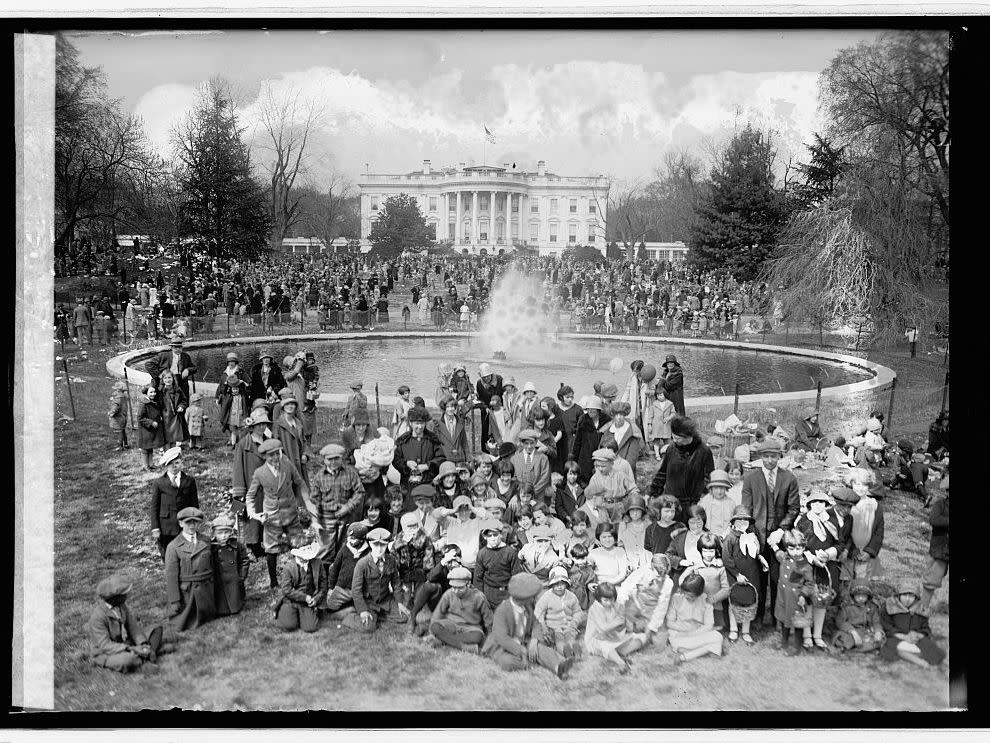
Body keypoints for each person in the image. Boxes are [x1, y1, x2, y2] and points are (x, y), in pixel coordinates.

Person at [741, 438, 800, 627]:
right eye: (765, 456)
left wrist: (782, 530)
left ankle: (777, 617)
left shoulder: (789, 478)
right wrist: (749, 533)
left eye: (773, 456)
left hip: (779, 539)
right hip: (757, 536)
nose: (769, 460)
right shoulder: (751, 478)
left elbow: (793, 508)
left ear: (779, 457)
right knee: (757, 578)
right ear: (760, 457)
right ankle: (756, 617)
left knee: (778, 578)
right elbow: (746, 509)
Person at [481, 572, 574, 679]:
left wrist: (534, 640)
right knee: (507, 662)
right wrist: (521, 650)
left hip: (524, 641)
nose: (535, 599)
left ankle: (558, 668)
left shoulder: (529, 606)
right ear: (522, 598)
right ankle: (531, 662)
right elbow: (501, 637)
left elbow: (536, 624)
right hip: (503, 646)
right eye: (533, 597)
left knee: (542, 649)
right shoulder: (502, 610)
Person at [245, 439, 319, 558]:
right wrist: (253, 513)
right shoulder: (260, 473)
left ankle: (299, 571)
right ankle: (273, 576)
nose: (275, 458)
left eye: (277, 453)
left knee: (299, 544)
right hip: (272, 517)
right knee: (271, 550)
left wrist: (307, 502)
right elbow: (250, 496)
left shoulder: (286, 464)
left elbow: (300, 482)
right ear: (264, 456)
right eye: (271, 455)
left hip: (291, 514)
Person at [87, 574, 170, 673]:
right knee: (126, 660)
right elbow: (105, 645)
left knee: (156, 629)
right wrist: (133, 648)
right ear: (114, 598)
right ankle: (146, 659)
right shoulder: (98, 616)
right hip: (108, 652)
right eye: (124, 595)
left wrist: (143, 644)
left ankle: (146, 654)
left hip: (126, 642)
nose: (127, 596)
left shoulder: (122, 606)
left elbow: (133, 628)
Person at [345, 527, 410, 632]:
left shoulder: (391, 560)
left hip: (385, 600)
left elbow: (396, 583)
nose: (379, 549)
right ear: (370, 545)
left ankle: (377, 615)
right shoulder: (362, 563)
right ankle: (349, 617)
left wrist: (399, 603)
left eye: (383, 545)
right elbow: (356, 590)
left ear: (387, 545)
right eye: (376, 545)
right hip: (369, 602)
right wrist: (362, 610)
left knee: (404, 617)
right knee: (368, 627)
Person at [648, 415, 714, 517]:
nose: (674, 440)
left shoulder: (703, 451)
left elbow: (709, 477)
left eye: (677, 438)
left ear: (688, 437)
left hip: (693, 504)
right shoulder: (672, 448)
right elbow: (662, 473)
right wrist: (653, 493)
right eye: (673, 437)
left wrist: (702, 495)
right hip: (671, 501)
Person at [164, 507, 217, 631]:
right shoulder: (173, 546)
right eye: (188, 522)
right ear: (181, 523)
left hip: (206, 590)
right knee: (183, 622)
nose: (192, 526)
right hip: (188, 592)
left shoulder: (206, 541)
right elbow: (171, 576)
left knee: (208, 616)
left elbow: (213, 566)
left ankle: (207, 612)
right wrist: (175, 600)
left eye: (195, 522)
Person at [311, 443, 365, 561]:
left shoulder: (350, 473)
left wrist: (348, 506)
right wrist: (316, 519)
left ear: (341, 458)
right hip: (326, 518)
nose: (333, 462)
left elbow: (359, 492)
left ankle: (340, 574)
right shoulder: (319, 477)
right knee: (325, 550)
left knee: (346, 548)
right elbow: (314, 499)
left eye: (336, 458)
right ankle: (324, 576)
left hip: (346, 517)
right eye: (330, 459)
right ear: (324, 460)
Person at [721, 505, 766, 645]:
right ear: (733, 523)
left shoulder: (752, 536)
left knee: (749, 601)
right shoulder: (730, 538)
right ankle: (734, 629)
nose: (742, 524)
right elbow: (726, 559)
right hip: (735, 575)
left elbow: (757, 552)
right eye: (738, 521)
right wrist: (736, 574)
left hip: (751, 574)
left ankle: (746, 631)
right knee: (734, 600)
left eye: (745, 521)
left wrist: (761, 559)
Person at [428, 566, 494, 654]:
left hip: (471, 628)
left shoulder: (479, 597)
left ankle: (443, 640)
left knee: (478, 637)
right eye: (453, 587)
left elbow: (489, 621)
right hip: (451, 625)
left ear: (468, 584)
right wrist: (431, 633)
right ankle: (468, 648)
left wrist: (490, 641)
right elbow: (437, 614)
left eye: (460, 588)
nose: (456, 591)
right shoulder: (448, 594)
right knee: (435, 627)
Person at [149, 447, 200, 561]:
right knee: (167, 555)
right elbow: (154, 507)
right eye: (170, 464)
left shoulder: (189, 481)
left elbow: (194, 505)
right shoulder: (159, 483)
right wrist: (155, 528)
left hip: (184, 525)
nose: (174, 466)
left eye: (177, 463)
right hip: (166, 527)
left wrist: (194, 522)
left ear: (181, 462)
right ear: (166, 466)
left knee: (186, 554)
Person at [879, 584, 946, 669]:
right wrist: (903, 636)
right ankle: (920, 662)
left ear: (916, 598)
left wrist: (917, 635)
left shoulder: (920, 609)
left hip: (915, 639)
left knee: (932, 650)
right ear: (899, 595)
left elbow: (925, 628)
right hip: (896, 637)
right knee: (892, 648)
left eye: (911, 596)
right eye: (904, 595)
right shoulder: (889, 607)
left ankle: (913, 656)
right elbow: (886, 626)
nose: (907, 599)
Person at [665, 572, 724, 664]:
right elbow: (669, 623)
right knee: (673, 636)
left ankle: (684, 656)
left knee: (718, 636)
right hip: (680, 635)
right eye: (685, 594)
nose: (686, 597)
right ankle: (708, 649)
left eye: (691, 596)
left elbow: (709, 625)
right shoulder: (676, 598)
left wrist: (692, 633)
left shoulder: (706, 600)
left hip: (697, 634)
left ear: (699, 594)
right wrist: (683, 630)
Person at [774, 529, 816, 655]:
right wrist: (773, 545)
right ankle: (784, 641)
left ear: (803, 548)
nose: (795, 552)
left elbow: (809, 583)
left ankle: (797, 646)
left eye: (799, 549)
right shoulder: (784, 557)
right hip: (783, 596)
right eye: (792, 549)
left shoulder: (804, 565)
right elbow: (777, 553)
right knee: (783, 619)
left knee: (798, 622)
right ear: (787, 548)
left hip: (796, 598)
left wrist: (803, 594)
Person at [274, 538, 327, 633]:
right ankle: (285, 611)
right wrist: (304, 597)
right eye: (304, 551)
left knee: (311, 628)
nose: (307, 555)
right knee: (289, 625)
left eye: (308, 550)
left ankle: (306, 614)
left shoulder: (318, 563)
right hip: (291, 600)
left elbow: (323, 585)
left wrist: (316, 599)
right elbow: (286, 589)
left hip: (309, 601)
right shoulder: (289, 567)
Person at [391, 511, 437, 614]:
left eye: (414, 526)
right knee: (406, 592)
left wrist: (428, 571)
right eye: (409, 527)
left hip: (419, 570)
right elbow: (394, 554)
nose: (412, 530)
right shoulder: (399, 538)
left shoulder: (424, 536)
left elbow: (429, 554)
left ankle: (420, 609)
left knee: (419, 593)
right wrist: (396, 571)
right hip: (405, 571)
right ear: (403, 527)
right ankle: (404, 610)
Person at [535, 566, 585, 659]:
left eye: (562, 584)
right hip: (554, 627)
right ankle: (566, 653)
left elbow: (578, 612)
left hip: (569, 625)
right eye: (556, 584)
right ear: (551, 585)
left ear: (566, 584)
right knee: (559, 640)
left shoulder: (571, 596)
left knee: (570, 637)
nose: (559, 587)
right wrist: (543, 626)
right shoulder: (546, 596)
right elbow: (538, 612)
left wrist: (574, 622)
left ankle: (576, 651)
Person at [474, 519, 524, 610]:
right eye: (489, 535)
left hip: (506, 593)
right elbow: (478, 578)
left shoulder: (510, 552)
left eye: (495, 534)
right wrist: (480, 597)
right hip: (489, 593)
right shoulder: (482, 554)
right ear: (485, 537)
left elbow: (516, 576)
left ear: (500, 535)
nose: (493, 538)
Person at [325, 522, 370, 619]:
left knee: (367, 606)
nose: (350, 540)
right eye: (348, 537)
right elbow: (335, 569)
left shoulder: (368, 552)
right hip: (343, 587)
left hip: (360, 588)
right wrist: (331, 587)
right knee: (330, 606)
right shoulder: (344, 549)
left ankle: (354, 607)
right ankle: (347, 609)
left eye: (353, 538)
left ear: (362, 539)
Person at [393, 407, 444, 489]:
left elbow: (441, 458)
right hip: (407, 486)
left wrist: (427, 466)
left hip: (428, 484)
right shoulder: (403, 441)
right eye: (417, 423)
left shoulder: (433, 440)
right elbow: (395, 460)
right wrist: (406, 463)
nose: (420, 427)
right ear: (410, 423)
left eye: (422, 423)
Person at [585, 448, 639, 525]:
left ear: (611, 463)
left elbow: (633, 490)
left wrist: (631, 503)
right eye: (598, 466)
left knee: (620, 529)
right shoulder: (595, 478)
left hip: (619, 508)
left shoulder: (620, 475)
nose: (600, 469)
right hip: (602, 508)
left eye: (603, 466)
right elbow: (590, 497)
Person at [920, 474, 949, 613]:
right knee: (932, 578)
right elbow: (934, 520)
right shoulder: (940, 504)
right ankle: (924, 607)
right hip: (941, 548)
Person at [211, 514, 249, 617]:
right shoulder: (210, 548)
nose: (223, 536)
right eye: (220, 533)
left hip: (234, 580)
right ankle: (220, 609)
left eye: (226, 532)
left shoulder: (237, 545)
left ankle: (236, 605)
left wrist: (241, 577)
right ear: (214, 533)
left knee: (234, 598)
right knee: (220, 597)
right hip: (218, 580)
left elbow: (244, 560)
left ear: (231, 532)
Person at [831, 579, 884, 654]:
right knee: (844, 638)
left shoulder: (872, 606)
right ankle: (864, 648)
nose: (861, 598)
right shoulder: (846, 606)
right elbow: (840, 622)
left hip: (865, 631)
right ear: (853, 595)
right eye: (858, 595)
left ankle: (860, 648)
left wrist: (878, 631)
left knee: (881, 638)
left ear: (868, 596)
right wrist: (854, 633)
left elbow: (876, 621)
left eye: (863, 595)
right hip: (850, 631)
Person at [570, 396, 610, 485]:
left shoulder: (607, 421)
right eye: (588, 409)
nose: (590, 411)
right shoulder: (583, 420)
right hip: (585, 458)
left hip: (601, 457)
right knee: (585, 483)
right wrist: (574, 459)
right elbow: (577, 441)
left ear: (598, 409)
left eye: (593, 409)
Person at [511, 429, 554, 505]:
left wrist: (531, 493)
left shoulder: (543, 458)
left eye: (532, 443)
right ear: (521, 443)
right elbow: (513, 478)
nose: (529, 446)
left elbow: (545, 478)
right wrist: (521, 493)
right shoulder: (515, 459)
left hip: (538, 498)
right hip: (521, 498)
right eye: (526, 443)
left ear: (536, 442)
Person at [216, 352, 249, 448]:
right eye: (229, 362)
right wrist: (217, 396)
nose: (231, 363)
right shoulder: (225, 373)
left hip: (239, 398)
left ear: (236, 362)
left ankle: (240, 439)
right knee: (227, 417)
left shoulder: (241, 372)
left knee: (240, 418)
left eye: (233, 361)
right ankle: (231, 438)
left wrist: (242, 384)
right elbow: (220, 386)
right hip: (228, 398)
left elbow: (248, 383)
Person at [598, 401, 644, 467]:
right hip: (607, 469)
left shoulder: (632, 432)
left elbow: (632, 458)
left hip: (624, 470)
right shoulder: (607, 431)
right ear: (613, 415)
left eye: (621, 414)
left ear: (625, 415)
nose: (619, 417)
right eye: (616, 415)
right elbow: (601, 451)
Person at [698, 470, 737, 539]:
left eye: (722, 488)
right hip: (707, 536)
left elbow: (733, 524)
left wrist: (724, 535)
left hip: (725, 536)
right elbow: (699, 520)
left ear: (726, 488)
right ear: (711, 488)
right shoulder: (704, 502)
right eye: (716, 488)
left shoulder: (731, 503)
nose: (719, 491)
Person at [434, 396, 471, 464]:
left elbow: (464, 442)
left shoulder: (460, 423)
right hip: (445, 459)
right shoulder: (437, 425)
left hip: (459, 458)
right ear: (444, 408)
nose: (450, 409)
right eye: (447, 407)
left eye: (452, 407)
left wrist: (468, 459)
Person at [158, 370, 189, 447]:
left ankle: (173, 452)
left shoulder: (177, 390)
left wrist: (181, 406)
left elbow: (184, 400)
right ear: (162, 379)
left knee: (174, 436)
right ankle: (166, 452)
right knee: (166, 437)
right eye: (165, 378)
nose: (168, 380)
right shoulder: (160, 391)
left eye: (169, 377)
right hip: (164, 416)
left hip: (175, 416)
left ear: (173, 378)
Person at [644, 387, 675, 460]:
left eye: (661, 395)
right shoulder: (654, 404)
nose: (659, 397)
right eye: (657, 395)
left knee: (667, 441)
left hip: (666, 425)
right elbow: (650, 416)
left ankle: (668, 454)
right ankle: (657, 454)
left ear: (665, 395)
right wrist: (649, 425)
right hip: (656, 426)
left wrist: (668, 418)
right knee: (656, 441)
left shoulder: (670, 404)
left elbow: (673, 413)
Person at [108, 381, 129, 451]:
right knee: (123, 431)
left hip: (118, 418)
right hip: (123, 417)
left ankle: (119, 446)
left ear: (118, 390)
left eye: (116, 389)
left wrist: (110, 413)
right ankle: (125, 444)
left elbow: (115, 409)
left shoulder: (117, 399)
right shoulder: (124, 397)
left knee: (119, 432)